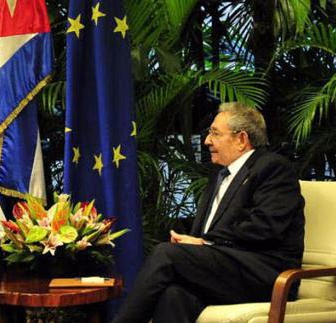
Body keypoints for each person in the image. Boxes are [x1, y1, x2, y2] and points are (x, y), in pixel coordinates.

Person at [112, 102, 305, 323]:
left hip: (265, 275)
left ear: (241, 139)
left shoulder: (273, 168)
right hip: (225, 272)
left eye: (214, 133)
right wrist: (191, 241)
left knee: (166, 254)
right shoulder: (219, 174)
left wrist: (205, 243)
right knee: (173, 295)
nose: (206, 141)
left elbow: (265, 227)